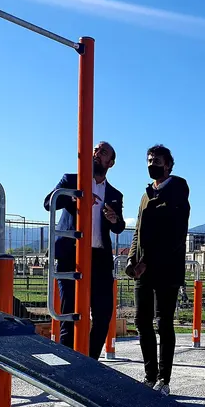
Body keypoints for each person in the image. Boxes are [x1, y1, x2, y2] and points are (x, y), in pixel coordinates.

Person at [44, 141, 125, 359]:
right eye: (96, 150)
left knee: (103, 315)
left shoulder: (115, 194)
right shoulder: (71, 180)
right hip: (72, 256)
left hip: (99, 258)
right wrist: (75, 197)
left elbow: (119, 227)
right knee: (70, 314)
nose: (97, 154)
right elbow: (48, 202)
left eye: (104, 152)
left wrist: (114, 218)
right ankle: (66, 367)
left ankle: (90, 363)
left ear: (111, 163)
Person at [127, 145, 190, 395]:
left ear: (168, 165)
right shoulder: (145, 195)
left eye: (157, 160)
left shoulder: (177, 190)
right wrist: (132, 260)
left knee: (164, 322)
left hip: (166, 269)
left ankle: (164, 379)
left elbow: (173, 235)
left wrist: (147, 262)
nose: (152, 164)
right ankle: (149, 375)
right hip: (143, 270)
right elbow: (138, 231)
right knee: (142, 321)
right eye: (149, 160)